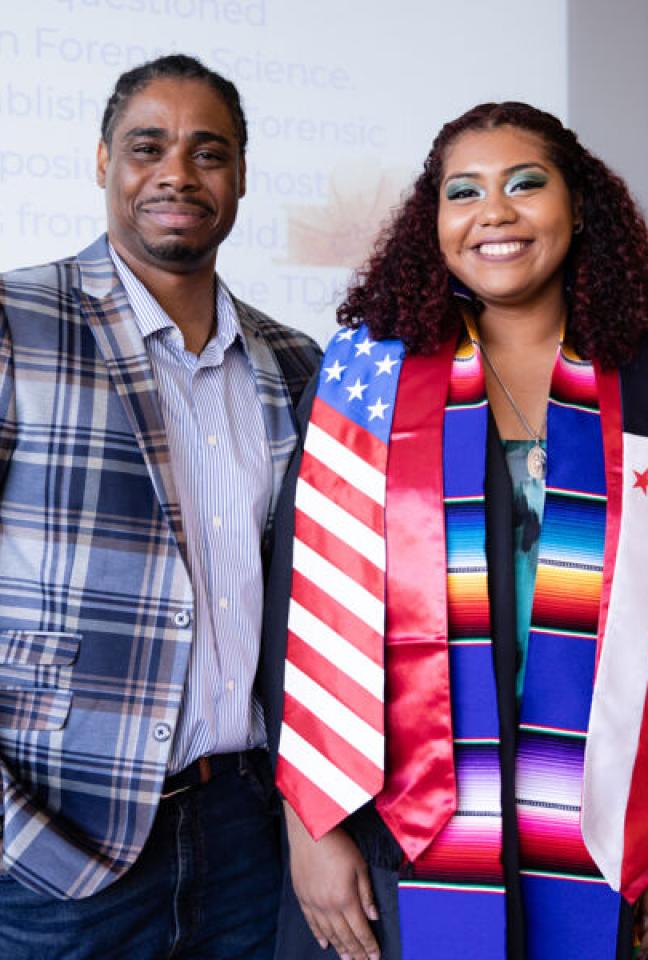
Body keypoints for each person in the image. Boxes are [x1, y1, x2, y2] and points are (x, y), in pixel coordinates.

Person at [262, 101, 648, 960]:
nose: (495, 213)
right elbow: (299, 609)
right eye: (462, 192)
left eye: (526, 184)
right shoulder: (369, 376)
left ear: (579, 205)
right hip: (399, 817)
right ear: (432, 222)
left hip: (604, 815)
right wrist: (311, 821)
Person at [0, 55, 319, 958]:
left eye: (208, 152)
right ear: (104, 161)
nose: (178, 172)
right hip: (55, 846)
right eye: (149, 146)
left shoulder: (298, 363)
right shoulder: (15, 321)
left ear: (242, 177)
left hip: (249, 839)